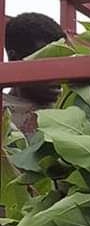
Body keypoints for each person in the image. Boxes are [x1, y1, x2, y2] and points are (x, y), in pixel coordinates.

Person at [3, 11, 64, 141]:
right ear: (15, 60)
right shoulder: (4, 112)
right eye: (46, 62)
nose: (57, 76)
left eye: (62, 62)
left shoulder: (71, 109)